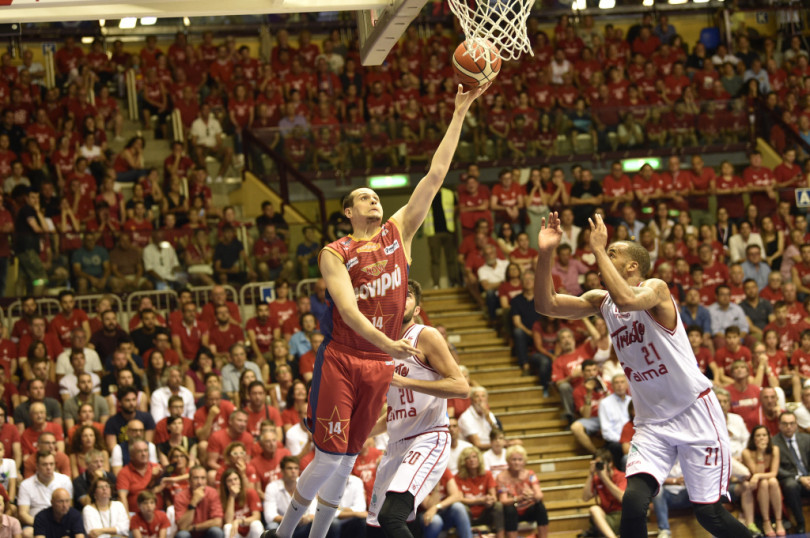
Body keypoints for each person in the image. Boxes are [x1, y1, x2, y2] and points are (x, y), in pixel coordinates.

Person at [268, 83, 488, 538]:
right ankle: (285, 534)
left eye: (376, 195)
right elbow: (349, 312)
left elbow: (436, 174)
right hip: (345, 357)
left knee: (348, 459)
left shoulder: (398, 233)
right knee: (328, 457)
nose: (373, 199)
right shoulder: (335, 252)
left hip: (379, 363)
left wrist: (459, 112)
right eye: (364, 197)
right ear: (348, 211)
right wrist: (390, 344)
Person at [534, 212, 751, 537]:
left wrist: (598, 248)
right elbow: (546, 304)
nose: (602, 259)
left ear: (632, 266)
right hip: (652, 423)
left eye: (612, 254)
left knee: (709, 515)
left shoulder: (656, 289)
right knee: (634, 502)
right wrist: (546, 252)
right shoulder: (601, 301)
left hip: (694, 412)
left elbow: (628, 299)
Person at [365, 280, 468, 537]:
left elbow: (461, 387)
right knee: (376, 528)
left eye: (408, 295)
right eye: (396, 295)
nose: (401, 299)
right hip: (396, 444)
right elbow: (395, 411)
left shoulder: (425, 335)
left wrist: (404, 381)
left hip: (427, 437)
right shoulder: (384, 347)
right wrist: (358, 435)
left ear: (417, 309)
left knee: (391, 516)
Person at [740, 425, 784, 536]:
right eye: (758, 435)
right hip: (755, 488)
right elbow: (756, 472)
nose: (761, 438)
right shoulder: (746, 452)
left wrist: (758, 476)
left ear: (769, 437)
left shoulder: (775, 449)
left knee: (772, 481)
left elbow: (774, 473)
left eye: (764, 435)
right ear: (753, 438)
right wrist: (760, 453)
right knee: (764, 482)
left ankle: (779, 521)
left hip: (772, 487)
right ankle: (766, 521)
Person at [496, 445, 548, 538]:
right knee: (509, 509)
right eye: (514, 460)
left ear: (524, 461)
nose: (517, 463)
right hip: (512, 511)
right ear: (508, 461)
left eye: (520, 460)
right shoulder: (501, 477)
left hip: (528, 509)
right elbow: (503, 500)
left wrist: (532, 495)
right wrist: (519, 498)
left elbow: (539, 494)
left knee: (540, 506)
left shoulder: (530, 474)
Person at [772, 411, 810, 533]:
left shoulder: (806, 439)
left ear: (796, 424)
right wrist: (799, 478)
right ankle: (800, 524)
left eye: (792, 423)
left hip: (808, 477)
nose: (789, 427)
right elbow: (776, 468)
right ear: (779, 425)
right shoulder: (773, 442)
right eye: (785, 424)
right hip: (790, 479)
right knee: (791, 485)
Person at [18, 452, 73, 537]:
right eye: (44, 464)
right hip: (35, 524)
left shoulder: (65, 481)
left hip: (61, 524)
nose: (49, 467)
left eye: (51, 464)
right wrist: (41, 524)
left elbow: (69, 508)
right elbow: (23, 514)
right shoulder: (25, 485)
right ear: (37, 466)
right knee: (27, 533)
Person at [581, 449, 626, 538]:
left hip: (622, 516)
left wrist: (605, 479)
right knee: (594, 509)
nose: (599, 466)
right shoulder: (597, 479)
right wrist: (591, 474)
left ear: (610, 463)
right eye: (597, 464)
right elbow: (585, 498)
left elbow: (623, 498)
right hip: (606, 517)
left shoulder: (621, 476)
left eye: (601, 463)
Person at [174, 466, 224, 538]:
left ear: (206, 480)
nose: (199, 482)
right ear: (189, 481)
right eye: (196, 478)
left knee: (216, 531)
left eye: (203, 478)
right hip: (189, 534)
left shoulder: (212, 493)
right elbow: (182, 526)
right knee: (182, 535)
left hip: (206, 533)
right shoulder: (180, 496)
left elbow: (218, 522)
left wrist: (194, 527)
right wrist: (193, 502)